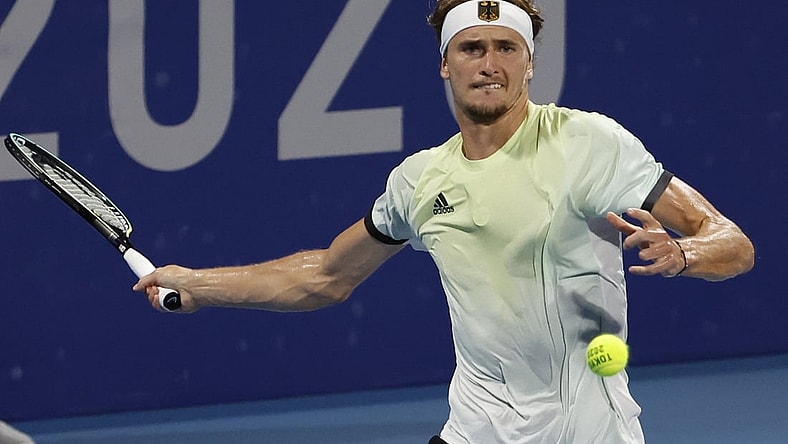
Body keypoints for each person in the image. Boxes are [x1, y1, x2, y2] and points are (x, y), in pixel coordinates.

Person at [134, 1, 755, 442]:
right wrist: (198, 282)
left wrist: (685, 255)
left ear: (529, 62)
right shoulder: (419, 181)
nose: (489, 63)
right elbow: (325, 276)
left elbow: (734, 242)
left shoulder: (590, 142)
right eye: (472, 48)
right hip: (475, 429)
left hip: (586, 434)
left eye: (506, 48)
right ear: (445, 64)